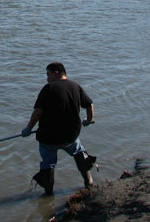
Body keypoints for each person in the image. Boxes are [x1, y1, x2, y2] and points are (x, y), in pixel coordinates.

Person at [22, 62, 96, 194]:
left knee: (48, 164)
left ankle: (48, 193)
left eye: (48, 74)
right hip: (71, 136)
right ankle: (89, 182)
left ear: (56, 72)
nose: (47, 78)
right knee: (80, 153)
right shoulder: (76, 86)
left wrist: (28, 128)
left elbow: (38, 112)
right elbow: (89, 104)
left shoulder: (48, 88)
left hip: (49, 138)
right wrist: (88, 120)